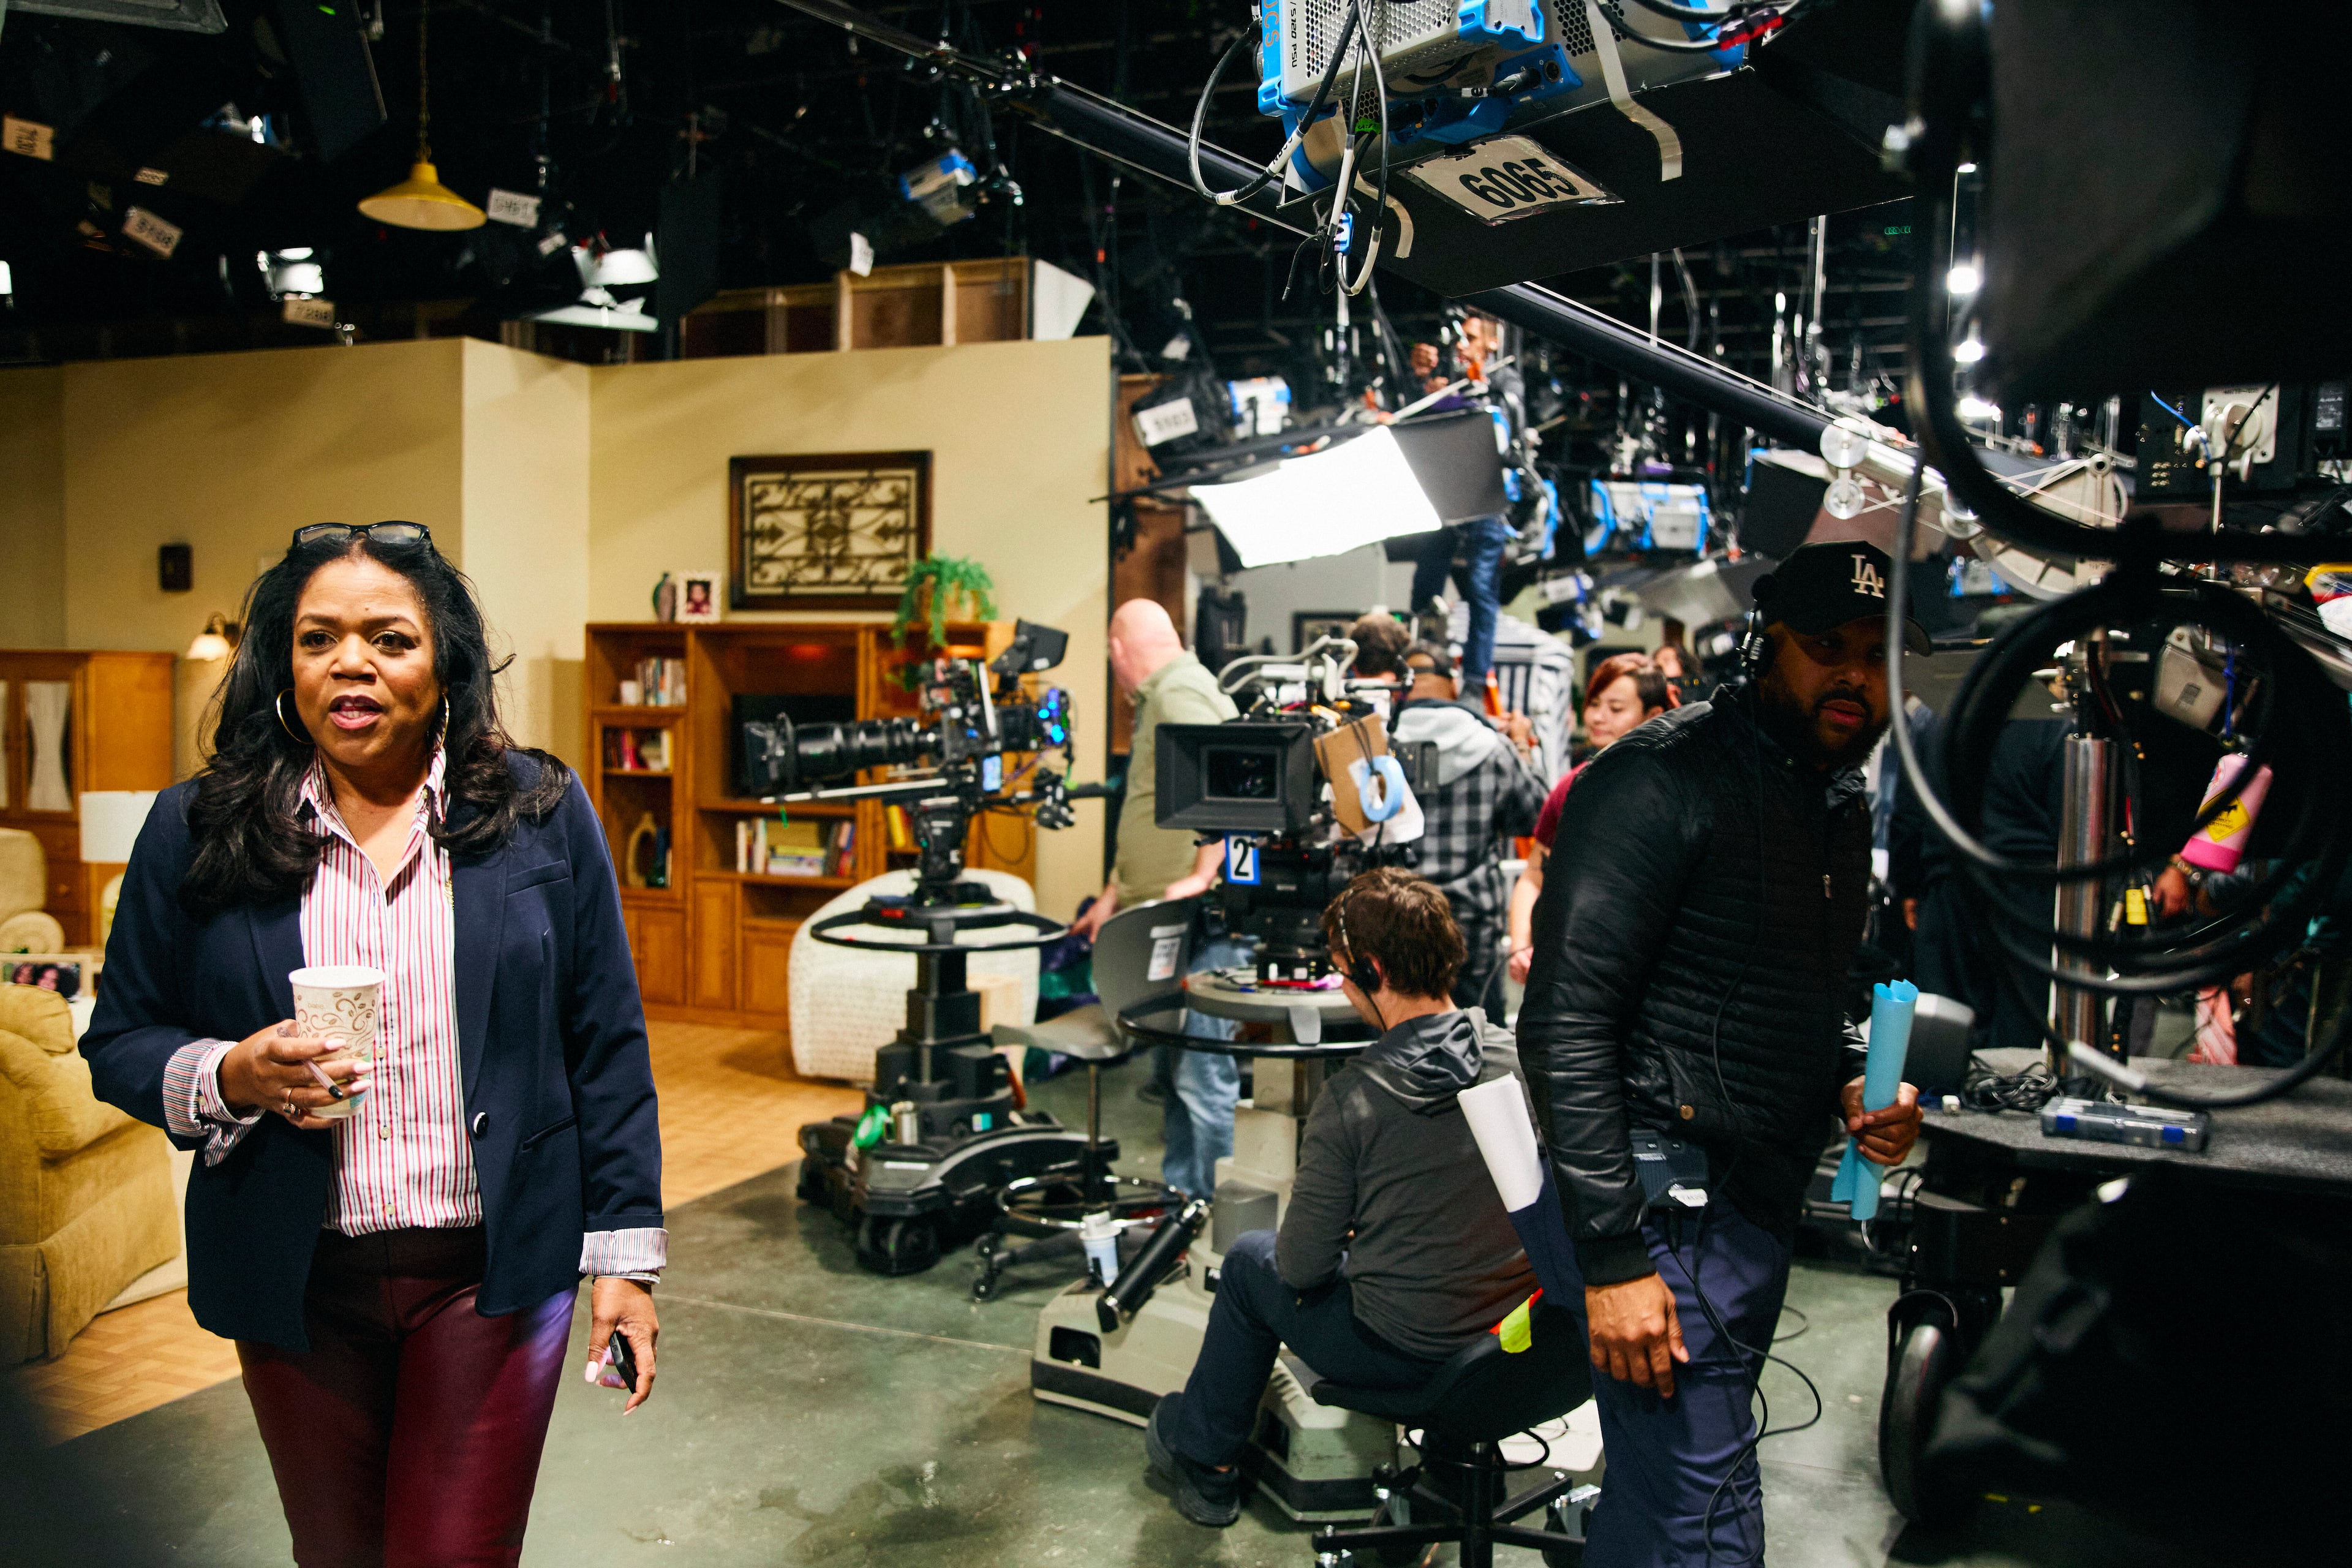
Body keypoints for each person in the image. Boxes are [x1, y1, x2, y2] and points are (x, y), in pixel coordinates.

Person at [82, 522, 663, 1567]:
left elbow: (607, 1042)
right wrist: (229, 1072)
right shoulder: (197, 827)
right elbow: (120, 1036)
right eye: (319, 639)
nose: (352, 661)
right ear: (282, 667)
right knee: (335, 1554)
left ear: (444, 666)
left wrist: (625, 1261)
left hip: (491, 1272)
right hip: (294, 1277)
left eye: (390, 638)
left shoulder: (539, 814)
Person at [1517, 541, 1928, 1567]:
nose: (1857, 680)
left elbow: (1818, 988)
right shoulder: (1656, 784)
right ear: (1764, 645)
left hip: (1750, 1203)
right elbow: (1562, 1023)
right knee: (1703, 1525)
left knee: (1660, 1497)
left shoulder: (1833, 797)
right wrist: (1613, 1257)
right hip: (1659, 1210)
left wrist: (1851, 1078)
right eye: (1828, 648)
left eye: (1878, 656)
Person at [1144, 867, 1537, 1527]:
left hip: (1404, 1350)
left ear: (1375, 971)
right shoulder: (1519, 1057)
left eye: (1343, 975)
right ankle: (1453, 1464)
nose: (1344, 989)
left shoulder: (1353, 1099)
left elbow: (1301, 1269)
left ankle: (1205, 1459)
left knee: (1248, 1261)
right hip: (1516, 1342)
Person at [1069, 598, 1242, 1199]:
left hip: (1198, 923)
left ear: (1118, 651)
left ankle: (1209, 1217)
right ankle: (1182, 1203)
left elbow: (1232, 779)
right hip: (1166, 921)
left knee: (1199, 1076)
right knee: (1174, 1074)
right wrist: (1113, 893)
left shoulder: (1178, 693)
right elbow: (1149, 801)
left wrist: (1204, 871)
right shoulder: (1163, 695)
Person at [1389, 639, 1546, 1012]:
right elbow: (1537, 816)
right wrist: (1522, 743)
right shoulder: (1492, 747)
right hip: (1471, 928)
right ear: (1454, 685)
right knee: (1478, 1051)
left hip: (1393, 924)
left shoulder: (1376, 745)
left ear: (1401, 687)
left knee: (1394, 1053)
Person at [1507, 654, 1678, 984]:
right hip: (1572, 966)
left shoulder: (1673, 793)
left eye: (1616, 709)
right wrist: (1519, 946)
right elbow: (1533, 876)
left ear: (1652, 715)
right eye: (1595, 703)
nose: (1598, 717)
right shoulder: (1573, 786)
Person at [1406, 310, 1526, 692]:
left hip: (1486, 497)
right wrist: (1425, 385)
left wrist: (1476, 391)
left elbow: (1507, 427)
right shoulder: (1449, 380)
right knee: (1426, 582)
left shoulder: (1505, 379)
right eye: (1460, 338)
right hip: (1448, 493)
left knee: (1480, 588)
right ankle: (1423, 661)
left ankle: (1475, 681)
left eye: (1471, 338)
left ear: (1492, 342)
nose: (1461, 345)